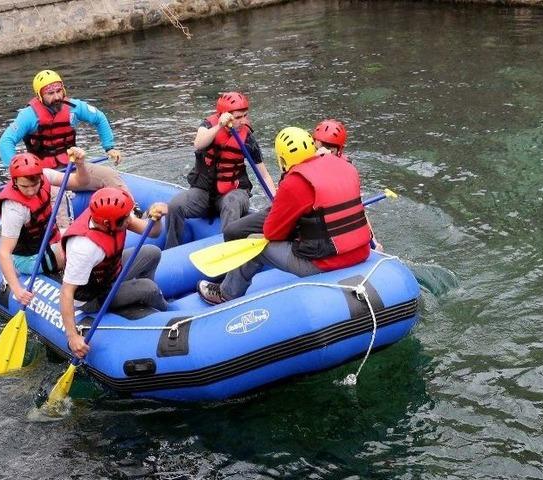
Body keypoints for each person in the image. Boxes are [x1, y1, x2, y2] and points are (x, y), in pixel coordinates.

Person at [197, 127, 377, 305]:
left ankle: (226, 294)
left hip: (326, 262)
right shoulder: (346, 166)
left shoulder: (295, 181)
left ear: (282, 158)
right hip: (361, 252)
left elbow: (272, 233)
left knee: (255, 243)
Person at [0, 69, 128, 227]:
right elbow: (5, 142)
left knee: (110, 175)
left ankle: (131, 213)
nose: (57, 97)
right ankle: (63, 234)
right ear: (40, 96)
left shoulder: (74, 107)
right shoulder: (29, 116)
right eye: (50, 93)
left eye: (59, 91)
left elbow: (99, 118)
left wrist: (109, 147)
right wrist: (19, 173)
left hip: (72, 169)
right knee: (56, 196)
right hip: (44, 175)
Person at [60, 188, 169, 358]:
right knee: (149, 288)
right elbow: (67, 291)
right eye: (125, 218)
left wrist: (157, 218)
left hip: (110, 272)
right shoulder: (84, 248)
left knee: (152, 253)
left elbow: (153, 232)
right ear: (106, 223)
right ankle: (165, 313)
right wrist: (72, 336)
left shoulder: (114, 217)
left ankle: (142, 306)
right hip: (92, 297)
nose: (130, 220)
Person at [164, 92, 277, 249]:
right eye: (238, 117)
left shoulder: (247, 138)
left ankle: (228, 250)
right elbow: (198, 143)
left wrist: (276, 202)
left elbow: (263, 175)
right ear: (224, 116)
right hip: (204, 192)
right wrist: (220, 126)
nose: (243, 121)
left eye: (245, 115)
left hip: (234, 192)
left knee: (231, 204)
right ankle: (171, 249)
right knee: (175, 206)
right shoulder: (208, 126)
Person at [0, 151, 90, 306]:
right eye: (25, 186)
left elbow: (81, 182)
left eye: (35, 184)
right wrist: (18, 290)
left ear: (40, 177)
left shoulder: (45, 175)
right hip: (30, 259)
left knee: (87, 234)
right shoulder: (14, 208)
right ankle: (82, 294)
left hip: (49, 242)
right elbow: (4, 253)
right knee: (83, 248)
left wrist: (80, 164)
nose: (31, 191)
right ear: (14, 181)